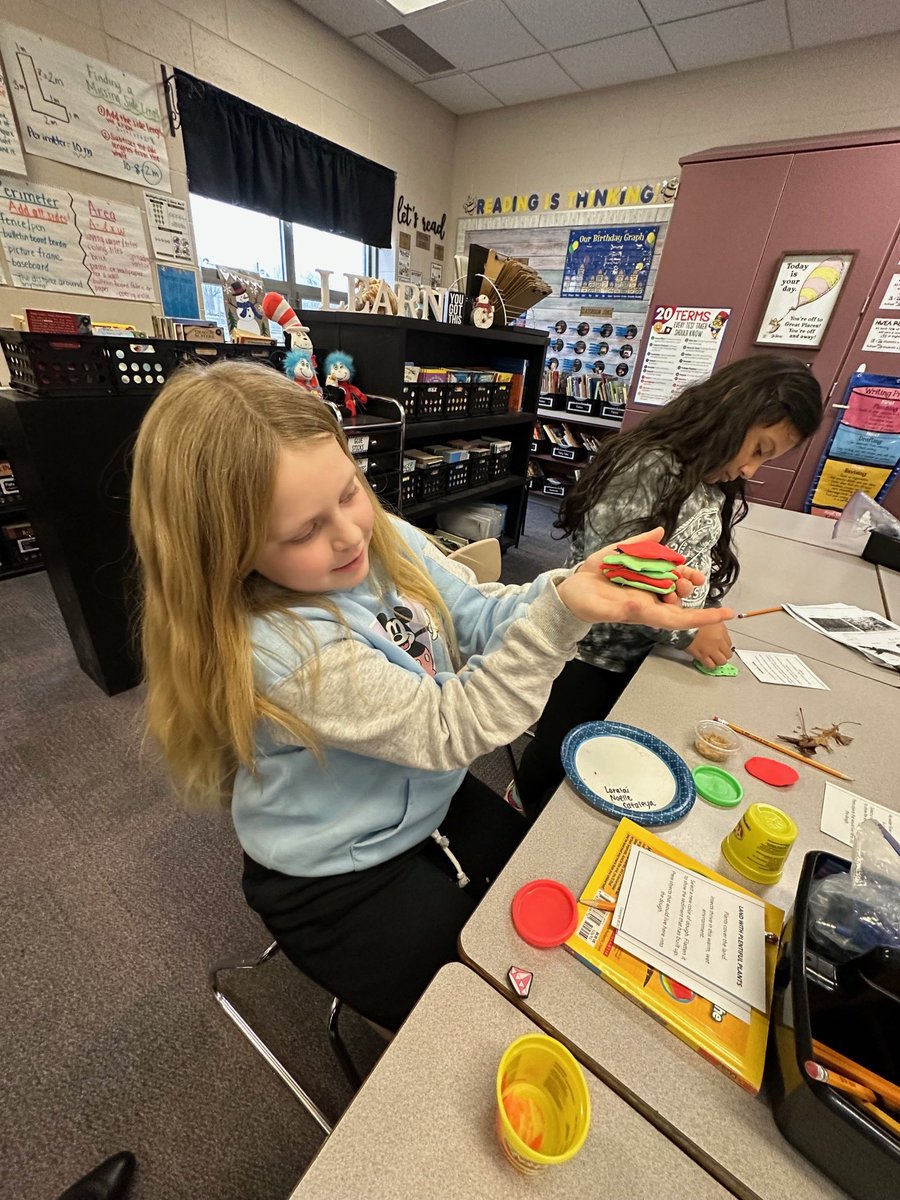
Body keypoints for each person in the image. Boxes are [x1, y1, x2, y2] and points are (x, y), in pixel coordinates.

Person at [129, 362, 730, 1032]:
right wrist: (562, 620)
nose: (350, 534)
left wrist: (568, 590)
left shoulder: (379, 537)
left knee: (559, 913)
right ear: (228, 550)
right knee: (486, 1013)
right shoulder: (278, 648)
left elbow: (478, 615)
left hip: (421, 802)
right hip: (334, 873)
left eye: (349, 492)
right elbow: (452, 726)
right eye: (302, 531)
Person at [511, 354, 823, 817]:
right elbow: (612, 579)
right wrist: (688, 631)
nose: (751, 471)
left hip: (644, 651)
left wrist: (704, 608)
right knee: (561, 751)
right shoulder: (647, 466)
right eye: (758, 449)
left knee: (606, 756)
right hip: (592, 653)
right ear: (732, 410)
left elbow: (691, 554)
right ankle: (521, 803)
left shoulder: (709, 476)